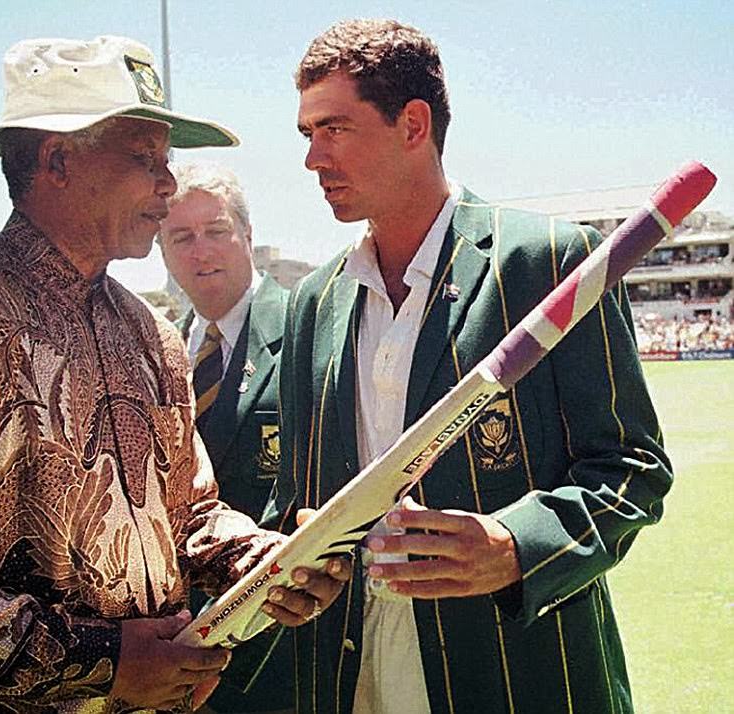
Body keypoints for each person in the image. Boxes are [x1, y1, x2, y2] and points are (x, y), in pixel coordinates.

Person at [0, 37, 346, 712]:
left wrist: (263, 563)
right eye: (143, 157)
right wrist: (101, 662)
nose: (168, 185)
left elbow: (191, 512)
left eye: (166, 161)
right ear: (57, 159)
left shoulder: (151, 334)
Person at [274, 19, 672, 714]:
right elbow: (293, 503)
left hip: (517, 674)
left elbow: (633, 470)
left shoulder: (547, 261)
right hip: (348, 676)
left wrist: (517, 544)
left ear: (413, 124)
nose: (313, 159)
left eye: (333, 129)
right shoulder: (312, 302)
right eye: (307, 134)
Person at [158, 163, 292, 714]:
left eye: (216, 231)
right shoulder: (157, 348)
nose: (201, 251)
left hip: (276, 649)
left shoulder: (307, 330)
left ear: (247, 236)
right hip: (176, 652)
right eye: (181, 237)